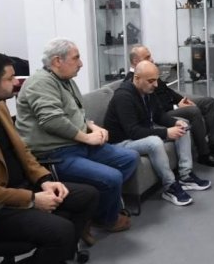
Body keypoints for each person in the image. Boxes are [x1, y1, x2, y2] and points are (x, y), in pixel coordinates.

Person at [0, 52, 99, 264]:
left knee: (88, 196)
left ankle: (57, 257)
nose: (16, 82)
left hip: (23, 188)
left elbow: (22, 150)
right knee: (61, 231)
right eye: (10, 78)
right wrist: (31, 200)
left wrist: (44, 180)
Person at [15, 38, 139, 234]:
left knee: (129, 158)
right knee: (112, 177)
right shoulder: (40, 83)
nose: (80, 63)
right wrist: (87, 137)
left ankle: (93, 209)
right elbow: (52, 121)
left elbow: (76, 114)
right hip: (55, 153)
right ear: (57, 61)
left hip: (76, 145)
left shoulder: (66, 81)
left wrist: (92, 126)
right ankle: (105, 219)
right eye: (76, 58)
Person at [105, 60, 211, 207]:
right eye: (151, 81)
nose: (155, 85)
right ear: (137, 78)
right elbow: (133, 131)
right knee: (155, 142)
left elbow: (158, 115)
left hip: (138, 136)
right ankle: (170, 186)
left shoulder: (147, 91)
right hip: (121, 142)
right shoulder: (123, 97)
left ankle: (186, 176)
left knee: (183, 127)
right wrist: (166, 132)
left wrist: (174, 123)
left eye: (156, 80)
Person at [126, 45, 214, 168]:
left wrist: (182, 100)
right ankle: (204, 154)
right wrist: (177, 106)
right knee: (193, 111)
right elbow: (153, 106)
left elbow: (167, 91)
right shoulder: (135, 80)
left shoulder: (148, 71)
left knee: (209, 102)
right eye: (147, 57)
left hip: (172, 105)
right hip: (164, 112)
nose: (152, 59)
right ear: (136, 61)